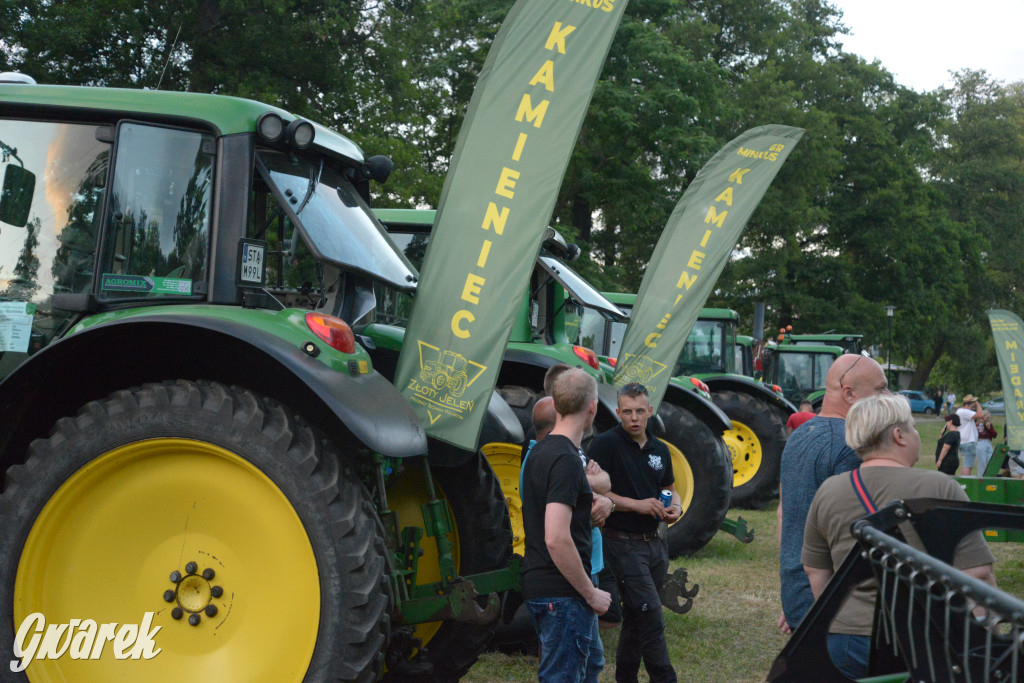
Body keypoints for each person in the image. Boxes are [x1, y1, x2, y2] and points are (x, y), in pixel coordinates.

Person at [802, 393, 996, 679]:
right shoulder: (940, 487)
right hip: (921, 638)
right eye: (913, 427)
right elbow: (978, 574)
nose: (917, 434)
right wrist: (985, 637)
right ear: (899, 435)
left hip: (843, 639)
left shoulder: (829, 490)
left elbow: (816, 571)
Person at [778, 353, 888, 633]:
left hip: (800, 592)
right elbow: (848, 536)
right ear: (849, 394)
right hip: (831, 600)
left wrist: (793, 595)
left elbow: (785, 516)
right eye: (880, 389)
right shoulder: (849, 445)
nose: (887, 396)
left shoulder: (799, 436)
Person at [521, 369, 612, 682]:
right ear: (592, 408)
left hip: (547, 589)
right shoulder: (566, 460)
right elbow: (556, 538)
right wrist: (591, 594)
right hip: (562, 594)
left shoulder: (541, 452)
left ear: (556, 405)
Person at [588, 383, 681, 683]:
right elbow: (595, 493)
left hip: (655, 545)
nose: (634, 418)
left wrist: (675, 507)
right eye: (627, 412)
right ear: (618, 413)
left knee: (636, 621)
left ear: (650, 411)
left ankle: (625, 677)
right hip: (621, 544)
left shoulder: (659, 449)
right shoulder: (604, 445)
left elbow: (669, 488)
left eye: (640, 411)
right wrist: (637, 506)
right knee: (651, 617)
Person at [957, 394, 982, 475]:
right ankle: (966, 484)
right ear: (967, 405)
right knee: (968, 466)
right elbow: (980, 415)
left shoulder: (960, 411)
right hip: (968, 442)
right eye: (972, 406)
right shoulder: (964, 411)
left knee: (966, 464)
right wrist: (977, 403)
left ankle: (960, 483)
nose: (973, 408)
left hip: (964, 441)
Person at [976, 410, 997, 475]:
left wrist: (989, 428)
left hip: (988, 442)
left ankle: (991, 475)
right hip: (980, 441)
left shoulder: (989, 425)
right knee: (982, 462)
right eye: (987, 417)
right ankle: (981, 476)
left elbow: (994, 435)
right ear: (983, 417)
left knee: (991, 460)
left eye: (989, 418)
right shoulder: (977, 424)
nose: (988, 419)